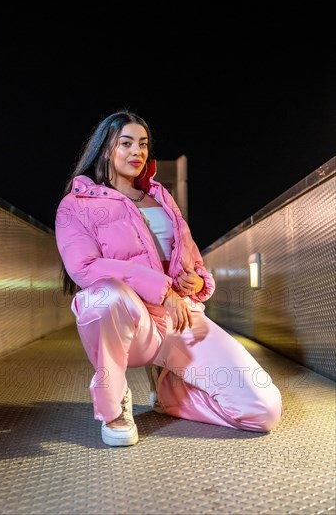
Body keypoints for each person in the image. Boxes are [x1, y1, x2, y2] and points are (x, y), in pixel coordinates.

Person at [55, 110, 283, 447]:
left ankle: (167, 391)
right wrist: (161, 289)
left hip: (180, 317)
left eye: (143, 144)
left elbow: (190, 259)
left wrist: (197, 280)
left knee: (263, 410)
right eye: (126, 143)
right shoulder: (77, 204)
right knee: (105, 296)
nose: (137, 152)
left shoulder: (161, 198)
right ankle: (114, 402)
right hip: (131, 323)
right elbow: (85, 266)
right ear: (105, 150)